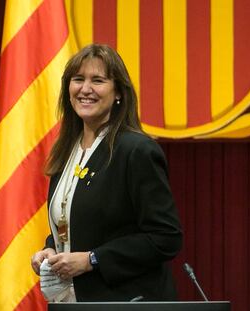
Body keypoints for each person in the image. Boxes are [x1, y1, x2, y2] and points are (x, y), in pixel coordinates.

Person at [31, 44, 182, 302]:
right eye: (78, 79)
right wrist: (51, 249)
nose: (85, 89)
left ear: (119, 93)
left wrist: (93, 259)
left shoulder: (137, 151)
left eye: (98, 80)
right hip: (73, 302)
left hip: (126, 302)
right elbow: (80, 221)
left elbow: (166, 238)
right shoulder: (67, 151)